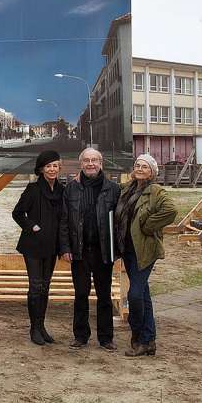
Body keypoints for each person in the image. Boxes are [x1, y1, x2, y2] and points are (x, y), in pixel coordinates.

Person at [114, 154, 177, 357]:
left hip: (145, 250)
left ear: (152, 172)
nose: (140, 169)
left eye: (145, 167)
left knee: (134, 294)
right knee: (144, 295)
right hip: (128, 250)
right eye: (137, 165)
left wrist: (148, 226)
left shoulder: (156, 191)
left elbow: (171, 210)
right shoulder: (128, 189)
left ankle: (139, 337)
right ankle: (149, 341)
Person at [59, 148, 121, 351]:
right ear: (81, 164)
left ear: (101, 163)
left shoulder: (113, 189)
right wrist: (65, 248)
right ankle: (81, 336)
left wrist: (117, 249)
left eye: (94, 160)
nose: (90, 164)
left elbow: (119, 222)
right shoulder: (71, 189)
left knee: (104, 296)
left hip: (104, 251)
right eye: (86, 160)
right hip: (79, 251)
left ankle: (106, 338)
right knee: (81, 295)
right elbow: (64, 221)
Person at [12, 150, 64, 345]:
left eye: (55, 166)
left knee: (45, 287)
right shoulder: (32, 189)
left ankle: (42, 326)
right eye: (48, 166)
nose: (52, 169)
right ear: (42, 169)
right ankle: (34, 328)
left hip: (51, 246)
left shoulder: (62, 190)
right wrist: (32, 226)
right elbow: (17, 213)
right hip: (33, 245)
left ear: (59, 168)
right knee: (35, 286)